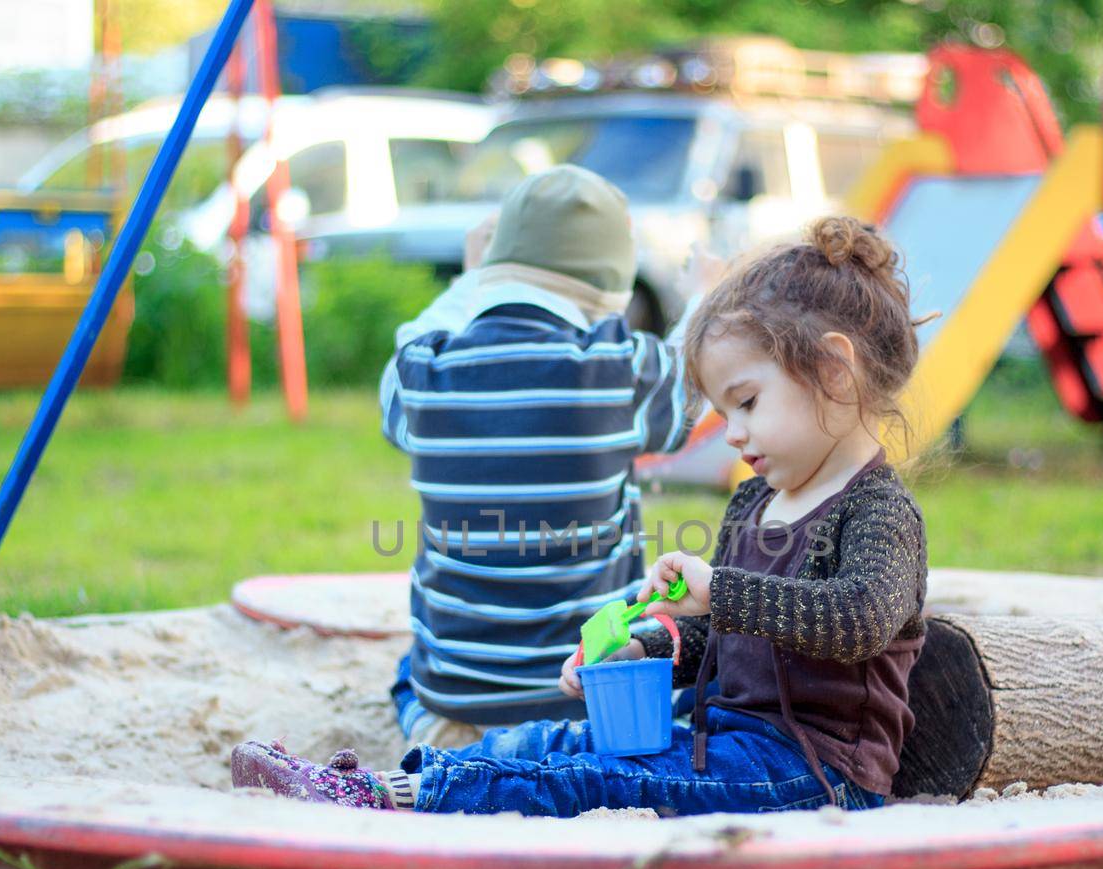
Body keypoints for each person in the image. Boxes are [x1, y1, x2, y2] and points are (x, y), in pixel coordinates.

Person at [232, 216, 928, 816]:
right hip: (720, 740)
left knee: (590, 779)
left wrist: (719, 588)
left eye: (746, 403)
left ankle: (390, 798)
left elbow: (856, 620)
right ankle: (395, 780)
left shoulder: (877, 511)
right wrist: (649, 651)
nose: (732, 433)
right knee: (552, 742)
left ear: (835, 371)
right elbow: (727, 641)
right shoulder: (755, 499)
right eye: (722, 412)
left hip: (816, 775)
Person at [377, 165, 699, 748]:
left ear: (490, 272)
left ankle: (437, 730)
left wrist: (468, 282)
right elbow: (698, 390)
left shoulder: (422, 370)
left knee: (407, 672)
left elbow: (396, 381)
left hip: (459, 686)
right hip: (589, 692)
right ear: (610, 289)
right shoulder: (618, 368)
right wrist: (706, 293)